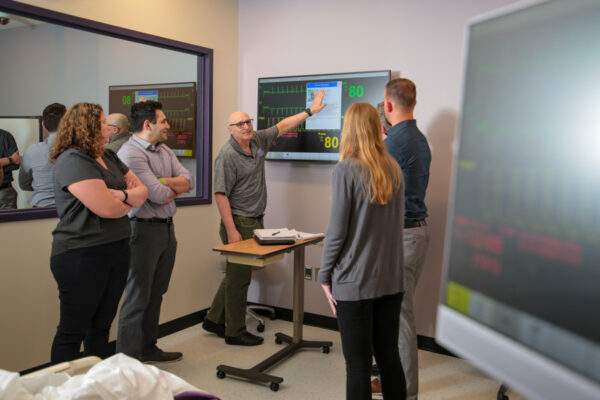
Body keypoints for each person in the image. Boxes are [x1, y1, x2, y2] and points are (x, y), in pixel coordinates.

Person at [202, 90, 327, 346]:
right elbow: (220, 194)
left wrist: (310, 111)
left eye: (248, 121)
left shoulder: (257, 140)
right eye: (240, 124)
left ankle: (214, 319)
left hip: (256, 219)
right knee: (240, 278)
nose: (246, 126)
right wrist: (232, 230)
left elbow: (282, 126)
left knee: (236, 274)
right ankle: (234, 332)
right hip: (239, 222)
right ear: (230, 130)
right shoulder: (227, 156)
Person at [318, 102, 406, 400]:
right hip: (391, 282)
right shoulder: (393, 168)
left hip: (355, 283)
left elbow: (336, 232)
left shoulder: (346, 170)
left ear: (349, 131)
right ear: (375, 128)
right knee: (389, 357)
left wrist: (324, 275)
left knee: (357, 365)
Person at [49, 102, 147, 364]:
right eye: (103, 122)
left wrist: (122, 195)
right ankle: (63, 391)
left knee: (101, 326)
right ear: (87, 127)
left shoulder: (109, 155)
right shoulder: (72, 159)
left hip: (115, 247)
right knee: (73, 330)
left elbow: (143, 191)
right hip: (80, 254)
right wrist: (127, 199)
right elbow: (106, 208)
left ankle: (97, 385)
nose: (108, 127)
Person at [116, 100, 194, 363]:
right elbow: (158, 195)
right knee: (137, 297)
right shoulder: (131, 154)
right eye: (164, 121)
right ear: (148, 124)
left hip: (166, 231)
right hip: (142, 232)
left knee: (156, 294)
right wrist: (170, 188)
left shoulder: (164, 150)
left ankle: (148, 348)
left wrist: (166, 183)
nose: (168, 126)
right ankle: (127, 363)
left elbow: (189, 181)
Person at [378, 78, 432, 400]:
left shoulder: (393, 143)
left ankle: (405, 393)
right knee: (394, 314)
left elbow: (377, 192)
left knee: (400, 318)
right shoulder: (418, 138)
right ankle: (391, 381)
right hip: (416, 232)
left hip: (403, 235)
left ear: (387, 106)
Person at [19, 103, 67, 207]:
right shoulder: (79, 149)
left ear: (43, 124)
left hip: (40, 209)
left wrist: (42, 187)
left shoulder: (32, 150)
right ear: (68, 124)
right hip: (70, 210)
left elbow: (23, 184)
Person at [0, 128, 22, 209]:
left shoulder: (6, 136)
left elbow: (16, 164)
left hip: (5, 194)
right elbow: (14, 160)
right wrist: (10, 159)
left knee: (9, 221)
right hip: (5, 193)